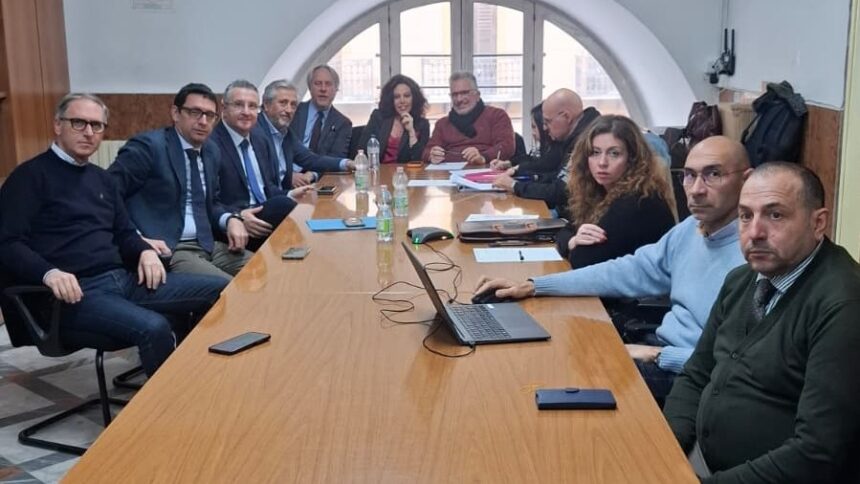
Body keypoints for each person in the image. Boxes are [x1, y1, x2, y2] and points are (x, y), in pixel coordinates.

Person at [475, 136, 751, 403]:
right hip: (660, 348)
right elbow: (624, 271)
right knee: (540, 355)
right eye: (689, 175)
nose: (696, 189)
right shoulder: (690, 229)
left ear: (746, 180)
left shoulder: (755, 256)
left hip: (692, 374)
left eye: (713, 174)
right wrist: (535, 285)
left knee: (551, 377)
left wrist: (656, 355)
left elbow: (747, 366)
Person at [0, 93, 227, 376]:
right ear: (58, 125)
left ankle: (197, 376)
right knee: (154, 327)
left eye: (96, 125)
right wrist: (49, 273)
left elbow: (124, 232)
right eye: (79, 123)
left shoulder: (102, 179)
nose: (88, 132)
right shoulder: (29, 177)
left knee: (221, 290)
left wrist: (144, 251)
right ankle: (171, 401)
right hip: (73, 295)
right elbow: (8, 243)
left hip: (122, 280)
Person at [664, 162, 860, 482]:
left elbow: (817, 452)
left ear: (818, 223)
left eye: (775, 215)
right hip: (700, 460)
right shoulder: (742, 279)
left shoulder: (843, 304)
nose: (755, 232)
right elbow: (696, 374)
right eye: (745, 216)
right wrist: (664, 452)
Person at [109, 83, 252, 280]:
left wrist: (230, 219)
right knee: (230, 288)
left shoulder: (211, 151)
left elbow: (211, 203)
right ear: (176, 113)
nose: (203, 121)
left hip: (208, 244)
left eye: (210, 115)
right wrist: (136, 238)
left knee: (266, 269)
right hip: (170, 247)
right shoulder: (148, 147)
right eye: (195, 113)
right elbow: (108, 195)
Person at [552, 115, 676, 269]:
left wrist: (572, 244)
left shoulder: (637, 201)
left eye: (614, 153)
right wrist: (573, 241)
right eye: (595, 152)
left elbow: (583, 260)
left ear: (633, 158)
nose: (602, 163)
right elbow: (566, 231)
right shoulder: (600, 192)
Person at [211, 80, 314, 251]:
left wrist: (290, 193)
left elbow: (266, 189)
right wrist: (237, 216)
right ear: (224, 108)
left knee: (307, 208)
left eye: (252, 106)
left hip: (262, 216)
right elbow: (208, 202)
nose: (246, 112)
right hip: (236, 226)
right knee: (284, 207)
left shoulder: (260, 140)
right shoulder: (210, 145)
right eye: (239, 105)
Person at [491, 89, 601, 217]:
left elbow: (562, 191)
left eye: (548, 121)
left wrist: (515, 186)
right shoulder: (575, 136)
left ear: (566, 116)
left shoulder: (587, 140)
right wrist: (532, 178)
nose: (544, 127)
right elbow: (557, 176)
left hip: (578, 218)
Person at [255, 80, 352, 189]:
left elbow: (310, 159)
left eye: (293, 105)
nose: (289, 110)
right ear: (266, 105)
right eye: (283, 103)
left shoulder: (285, 133)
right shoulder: (255, 131)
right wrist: (290, 191)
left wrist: (347, 163)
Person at [422, 71, 515, 164]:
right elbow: (426, 151)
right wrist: (431, 155)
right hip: (448, 170)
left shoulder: (497, 116)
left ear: (477, 95)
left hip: (486, 168)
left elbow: (507, 146)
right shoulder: (442, 124)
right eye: (454, 94)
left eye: (464, 93)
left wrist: (483, 157)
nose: (459, 99)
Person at [357, 74, 430, 163]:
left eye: (407, 96)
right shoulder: (378, 117)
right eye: (397, 97)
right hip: (379, 170)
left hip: (405, 171)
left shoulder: (423, 124)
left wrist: (411, 132)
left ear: (414, 98)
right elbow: (362, 150)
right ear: (391, 100)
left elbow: (419, 160)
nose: (402, 101)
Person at [292, 65, 353, 158]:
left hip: (321, 167)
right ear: (310, 87)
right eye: (318, 83)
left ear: (336, 89)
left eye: (328, 84)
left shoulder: (342, 124)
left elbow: (335, 159)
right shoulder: (293, 111)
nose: (323, 89)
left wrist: (313, 169)